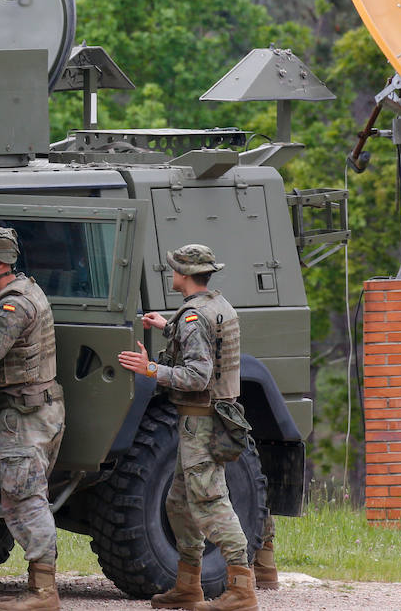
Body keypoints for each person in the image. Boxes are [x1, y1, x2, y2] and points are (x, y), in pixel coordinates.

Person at [117, 244, 257, 611]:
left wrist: (150, 370)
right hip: (210, 419)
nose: (171, 274)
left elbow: (196, 376)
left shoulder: (195, 317)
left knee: (210, 503)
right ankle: (187, 585)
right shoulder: (215, 306)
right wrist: (169, 327)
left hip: (202, 420)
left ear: (184, 274)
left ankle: (242, 590)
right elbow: (210, 344)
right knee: (179, 503)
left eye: (174, 270)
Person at [0, 226, 65, 611]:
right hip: (30, 410)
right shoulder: (16, 292)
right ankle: (40, 588)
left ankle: (43, 594)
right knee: (24, 496)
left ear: (1, 263)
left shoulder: (15, 304)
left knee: (26, 499)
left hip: (28, 414)